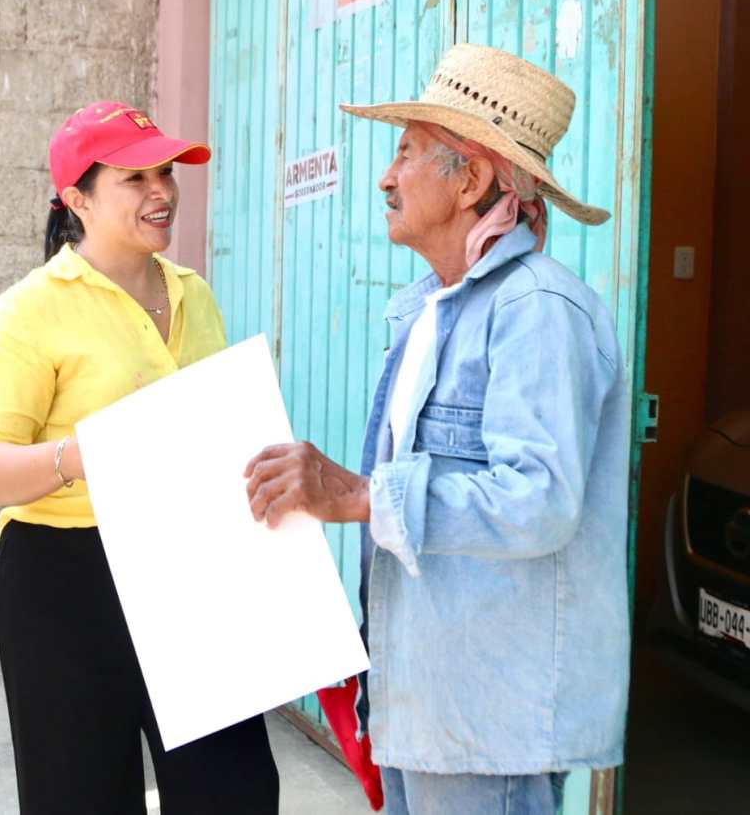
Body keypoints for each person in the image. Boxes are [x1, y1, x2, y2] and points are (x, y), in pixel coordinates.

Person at [244, 44, 632, 815]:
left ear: (474, 181)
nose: (386, 178)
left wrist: (358, 494)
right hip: (427, 700)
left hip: (493, 719)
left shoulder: (537, 311)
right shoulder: (429, 308)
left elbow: (540, 501)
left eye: (406, 154)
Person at [0, 101, 281, 814]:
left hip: (189, 565)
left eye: (165, 172)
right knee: (83, 796)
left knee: (235, 791)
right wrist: (78, 455)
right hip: (66, 580)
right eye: (134, 178)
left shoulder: (195, 293)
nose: (161, 190)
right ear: (77, 199)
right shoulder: (29, 311)